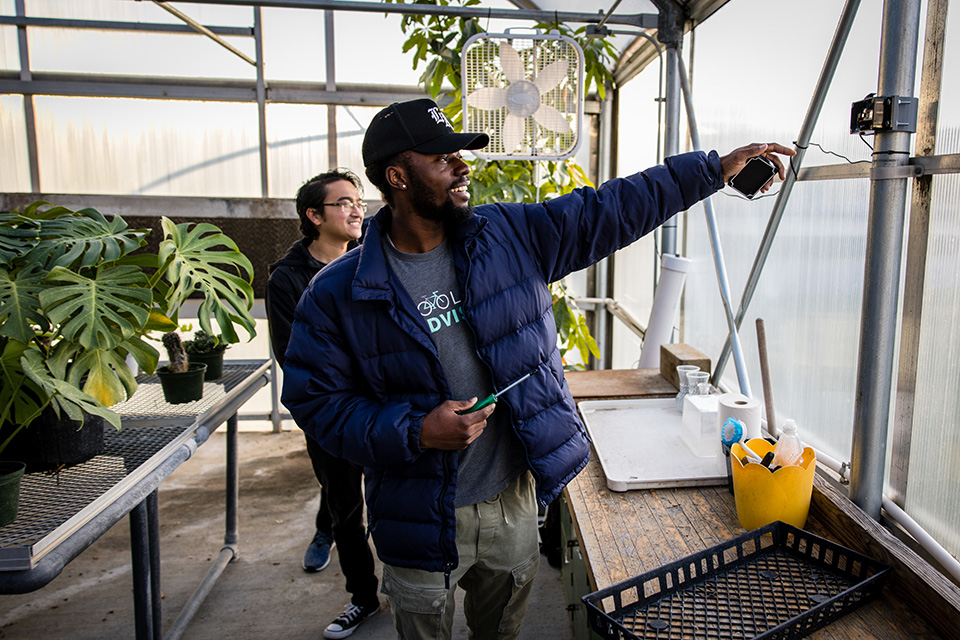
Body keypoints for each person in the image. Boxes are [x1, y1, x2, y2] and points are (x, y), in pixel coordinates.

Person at [281, 98, 795, 639]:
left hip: (512, 504)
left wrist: (710, 171)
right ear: (398, 176)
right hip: (417, 512)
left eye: (461, 154)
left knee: (500, 631)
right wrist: (417, 431)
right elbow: (317, 405)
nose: (462, 166)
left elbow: (608, 209)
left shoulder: (508, 235)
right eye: (442, 158)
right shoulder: (337, 293)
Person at [265, 168, 380, 639]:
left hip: (383, 403)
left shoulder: (376, 255)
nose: (357, 209)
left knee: (389, 496)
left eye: (359, 201)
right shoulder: (287, 279)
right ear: (314, 216)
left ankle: (400, 578)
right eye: (344, 203)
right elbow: (293, 354)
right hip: (331, 412)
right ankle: (364, 598)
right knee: (346, 505)